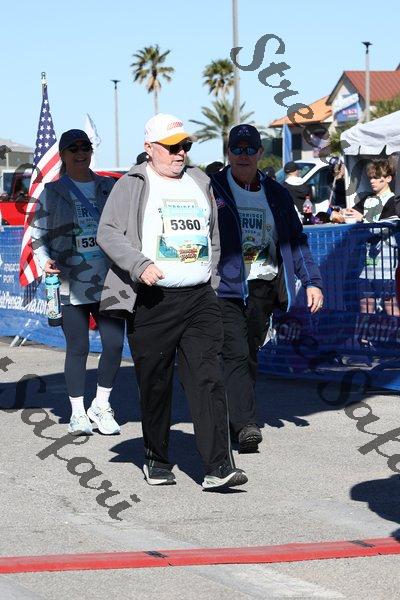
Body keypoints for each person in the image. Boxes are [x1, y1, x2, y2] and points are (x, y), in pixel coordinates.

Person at [97, 113, 247, 491]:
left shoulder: (200, 180)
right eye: (172, 147)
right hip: (153, 300)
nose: (180, 153)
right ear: (150, 148)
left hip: (199, 298)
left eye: (185, 146)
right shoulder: (132, 183)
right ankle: (156, 457)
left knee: (207, 379)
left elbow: (213, 234)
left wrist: (210, 278)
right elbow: (108, 233)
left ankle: (217, 467)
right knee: (156, 383)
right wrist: (139, 264)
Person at [209, 124, 324, 453]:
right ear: (228, 153)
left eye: (250, 149)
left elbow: (296, 241)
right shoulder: (212, 188)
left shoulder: (276, 193)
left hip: (264, 284)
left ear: (260, 153)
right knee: (234, 351)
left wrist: (312, 281)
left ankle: (234, 416)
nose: (243, 155)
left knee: (249, 353)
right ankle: (246, 424)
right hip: (226, 286)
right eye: (237, 149)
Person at [31, 129, 125, 436]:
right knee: (78, 347)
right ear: (63, 155)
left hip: (109, 279)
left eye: (85, 147)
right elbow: (38, 235)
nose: (81, 153)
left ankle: (101, 405)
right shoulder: (52, 191)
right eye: (74, 148)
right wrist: (44, 260)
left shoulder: (108, 186)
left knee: (114, 344)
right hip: (71, 281)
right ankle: (77, 413)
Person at [343, 159, 400, 317]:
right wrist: (340, 214)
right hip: (366, 266)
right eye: (370, 177)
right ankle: (365, 333)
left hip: (386, 266)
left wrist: (362, 218)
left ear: (388, 178)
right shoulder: (367, 199)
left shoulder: (394, 201)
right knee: (366, 305)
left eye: (376, 177)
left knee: (391, 306)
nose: (372, 181)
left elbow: (384, 227)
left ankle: (395, 333)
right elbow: (351, 214)